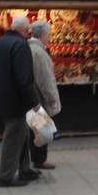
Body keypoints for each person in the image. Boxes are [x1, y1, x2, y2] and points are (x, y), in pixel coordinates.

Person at [0, 15, 42, 187]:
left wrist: (5, 85)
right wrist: (33, 101)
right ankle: (5, 176)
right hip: (16, 100)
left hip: (4, 96)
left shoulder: (0, 42)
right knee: (13, 137)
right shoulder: (21, 45)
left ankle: (25, 169)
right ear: (26, 29)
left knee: (22, 134)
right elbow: (24, 78)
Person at [28, 20, 61, 170]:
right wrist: (52, 99)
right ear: (42, 35)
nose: (49, 37)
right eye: (48, 34)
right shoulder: (40, 52)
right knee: (41, 129)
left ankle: (35, 158)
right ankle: (39, 159)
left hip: (31, 96)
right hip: (39, 98)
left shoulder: (29, 48)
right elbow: (45, 79)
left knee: (34, 129)